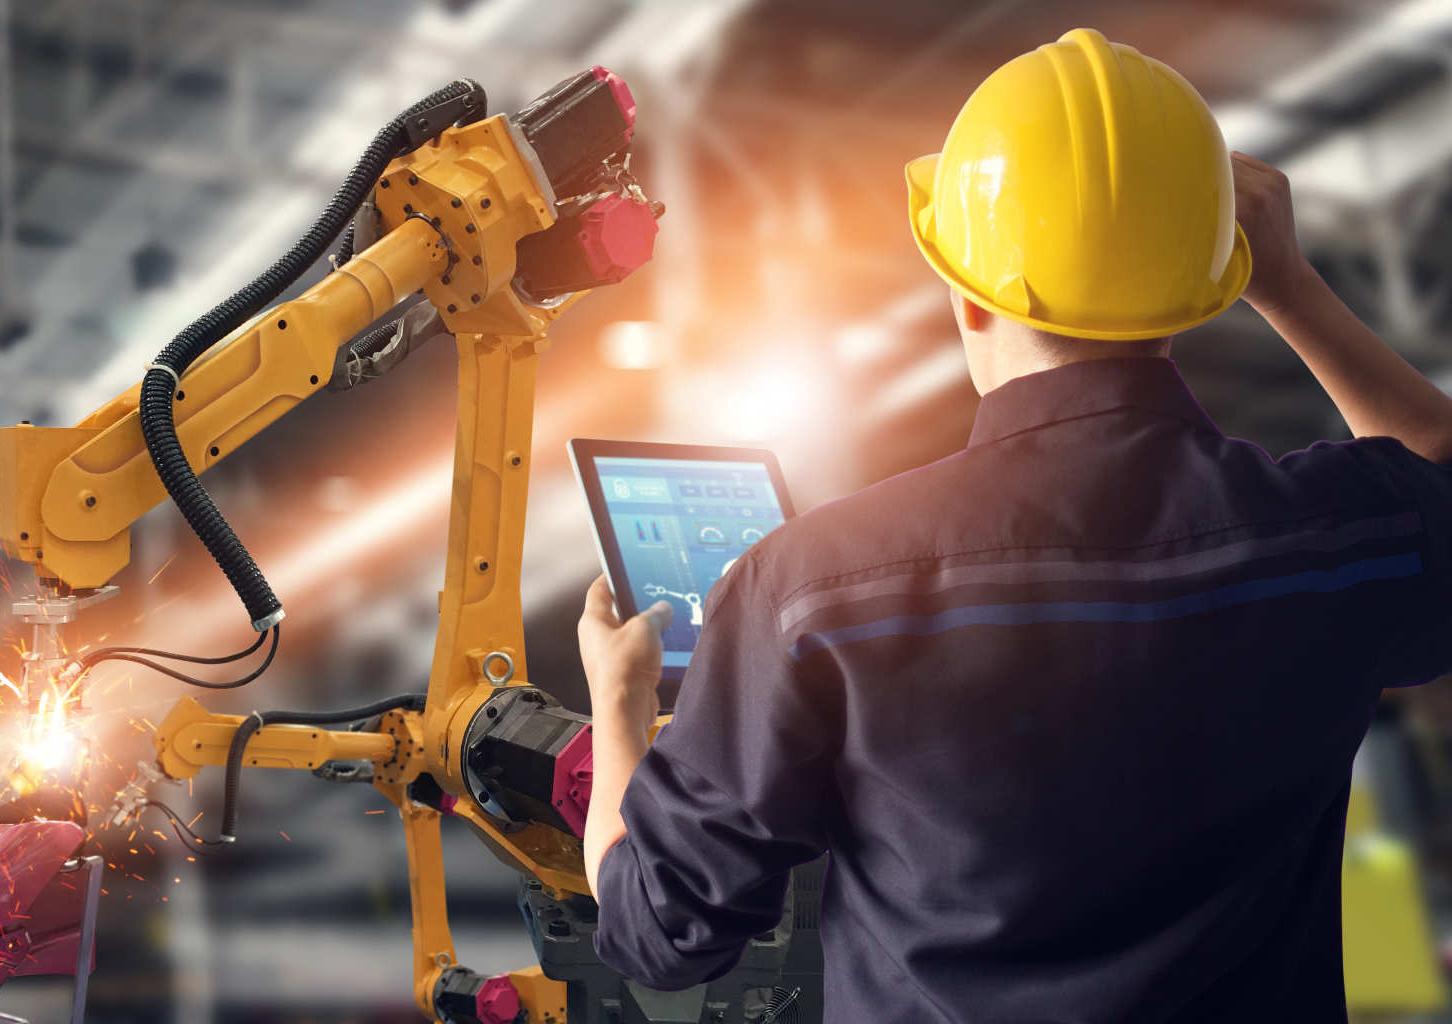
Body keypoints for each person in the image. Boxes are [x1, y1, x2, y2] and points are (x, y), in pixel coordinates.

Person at [575, 27, 1452, 1022]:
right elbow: (1437, 464)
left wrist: (620, 699)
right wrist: (1290, 284)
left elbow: (659, 931)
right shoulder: (1328, 541)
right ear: (1209, 281)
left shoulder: (811, 589)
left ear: (970, 297)